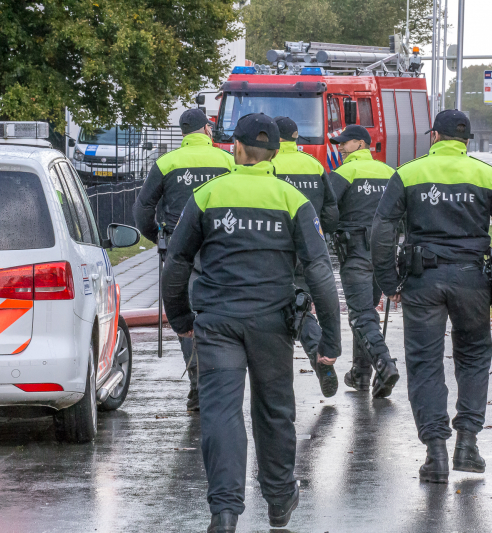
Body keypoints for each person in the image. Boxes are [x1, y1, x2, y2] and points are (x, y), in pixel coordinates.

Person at [161, 113, 341, 532]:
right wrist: (330, 340)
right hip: (272, 323)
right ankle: (279, 499)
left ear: (236, 148)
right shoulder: (292, 199)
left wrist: (181, 317)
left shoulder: (207, 195)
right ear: (275, 153)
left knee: (221, 412)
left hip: (217, 322)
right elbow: (319, 270)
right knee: (274, 409)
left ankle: (224, 513)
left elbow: (177, 261)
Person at [371, 109, 492, 484]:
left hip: (421, 281)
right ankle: (467, 445)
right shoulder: (487, 175)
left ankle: (436, 454)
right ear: (465, 141)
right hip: (472, 279)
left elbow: (381, 229)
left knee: (425, 363)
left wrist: (388, 281)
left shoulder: (408, 173)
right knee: (474, 356)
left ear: (434, 137)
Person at [133, 108, 234, 411]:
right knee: (219, 311)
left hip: (180, 245)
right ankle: (220, 381)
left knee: (185, 313)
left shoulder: (167, 163)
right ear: (206, 130)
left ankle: (198, 384)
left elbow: (142, 209)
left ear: (183, 133)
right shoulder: (228, 161)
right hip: (220, 245)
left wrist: (159, 238)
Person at [328, 124, 399, 398]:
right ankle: (361, 374)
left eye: (344, 143)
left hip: (355, 252)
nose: (340, 147)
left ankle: (384, 363)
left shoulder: (344, 173)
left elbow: (327, 210)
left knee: (360, 314)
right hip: (384, 255)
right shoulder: (390, 173)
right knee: (367, 311)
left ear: (360, 144)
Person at [271, 116, 339, 397]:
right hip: (308, 249)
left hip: (276, 251)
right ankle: (318, 356)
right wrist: (320, 233)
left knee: (276, 310)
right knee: (302, 305)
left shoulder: (268, 165)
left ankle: (276, 379)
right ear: (295, 138)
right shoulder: (314, 165)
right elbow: (331, 211)